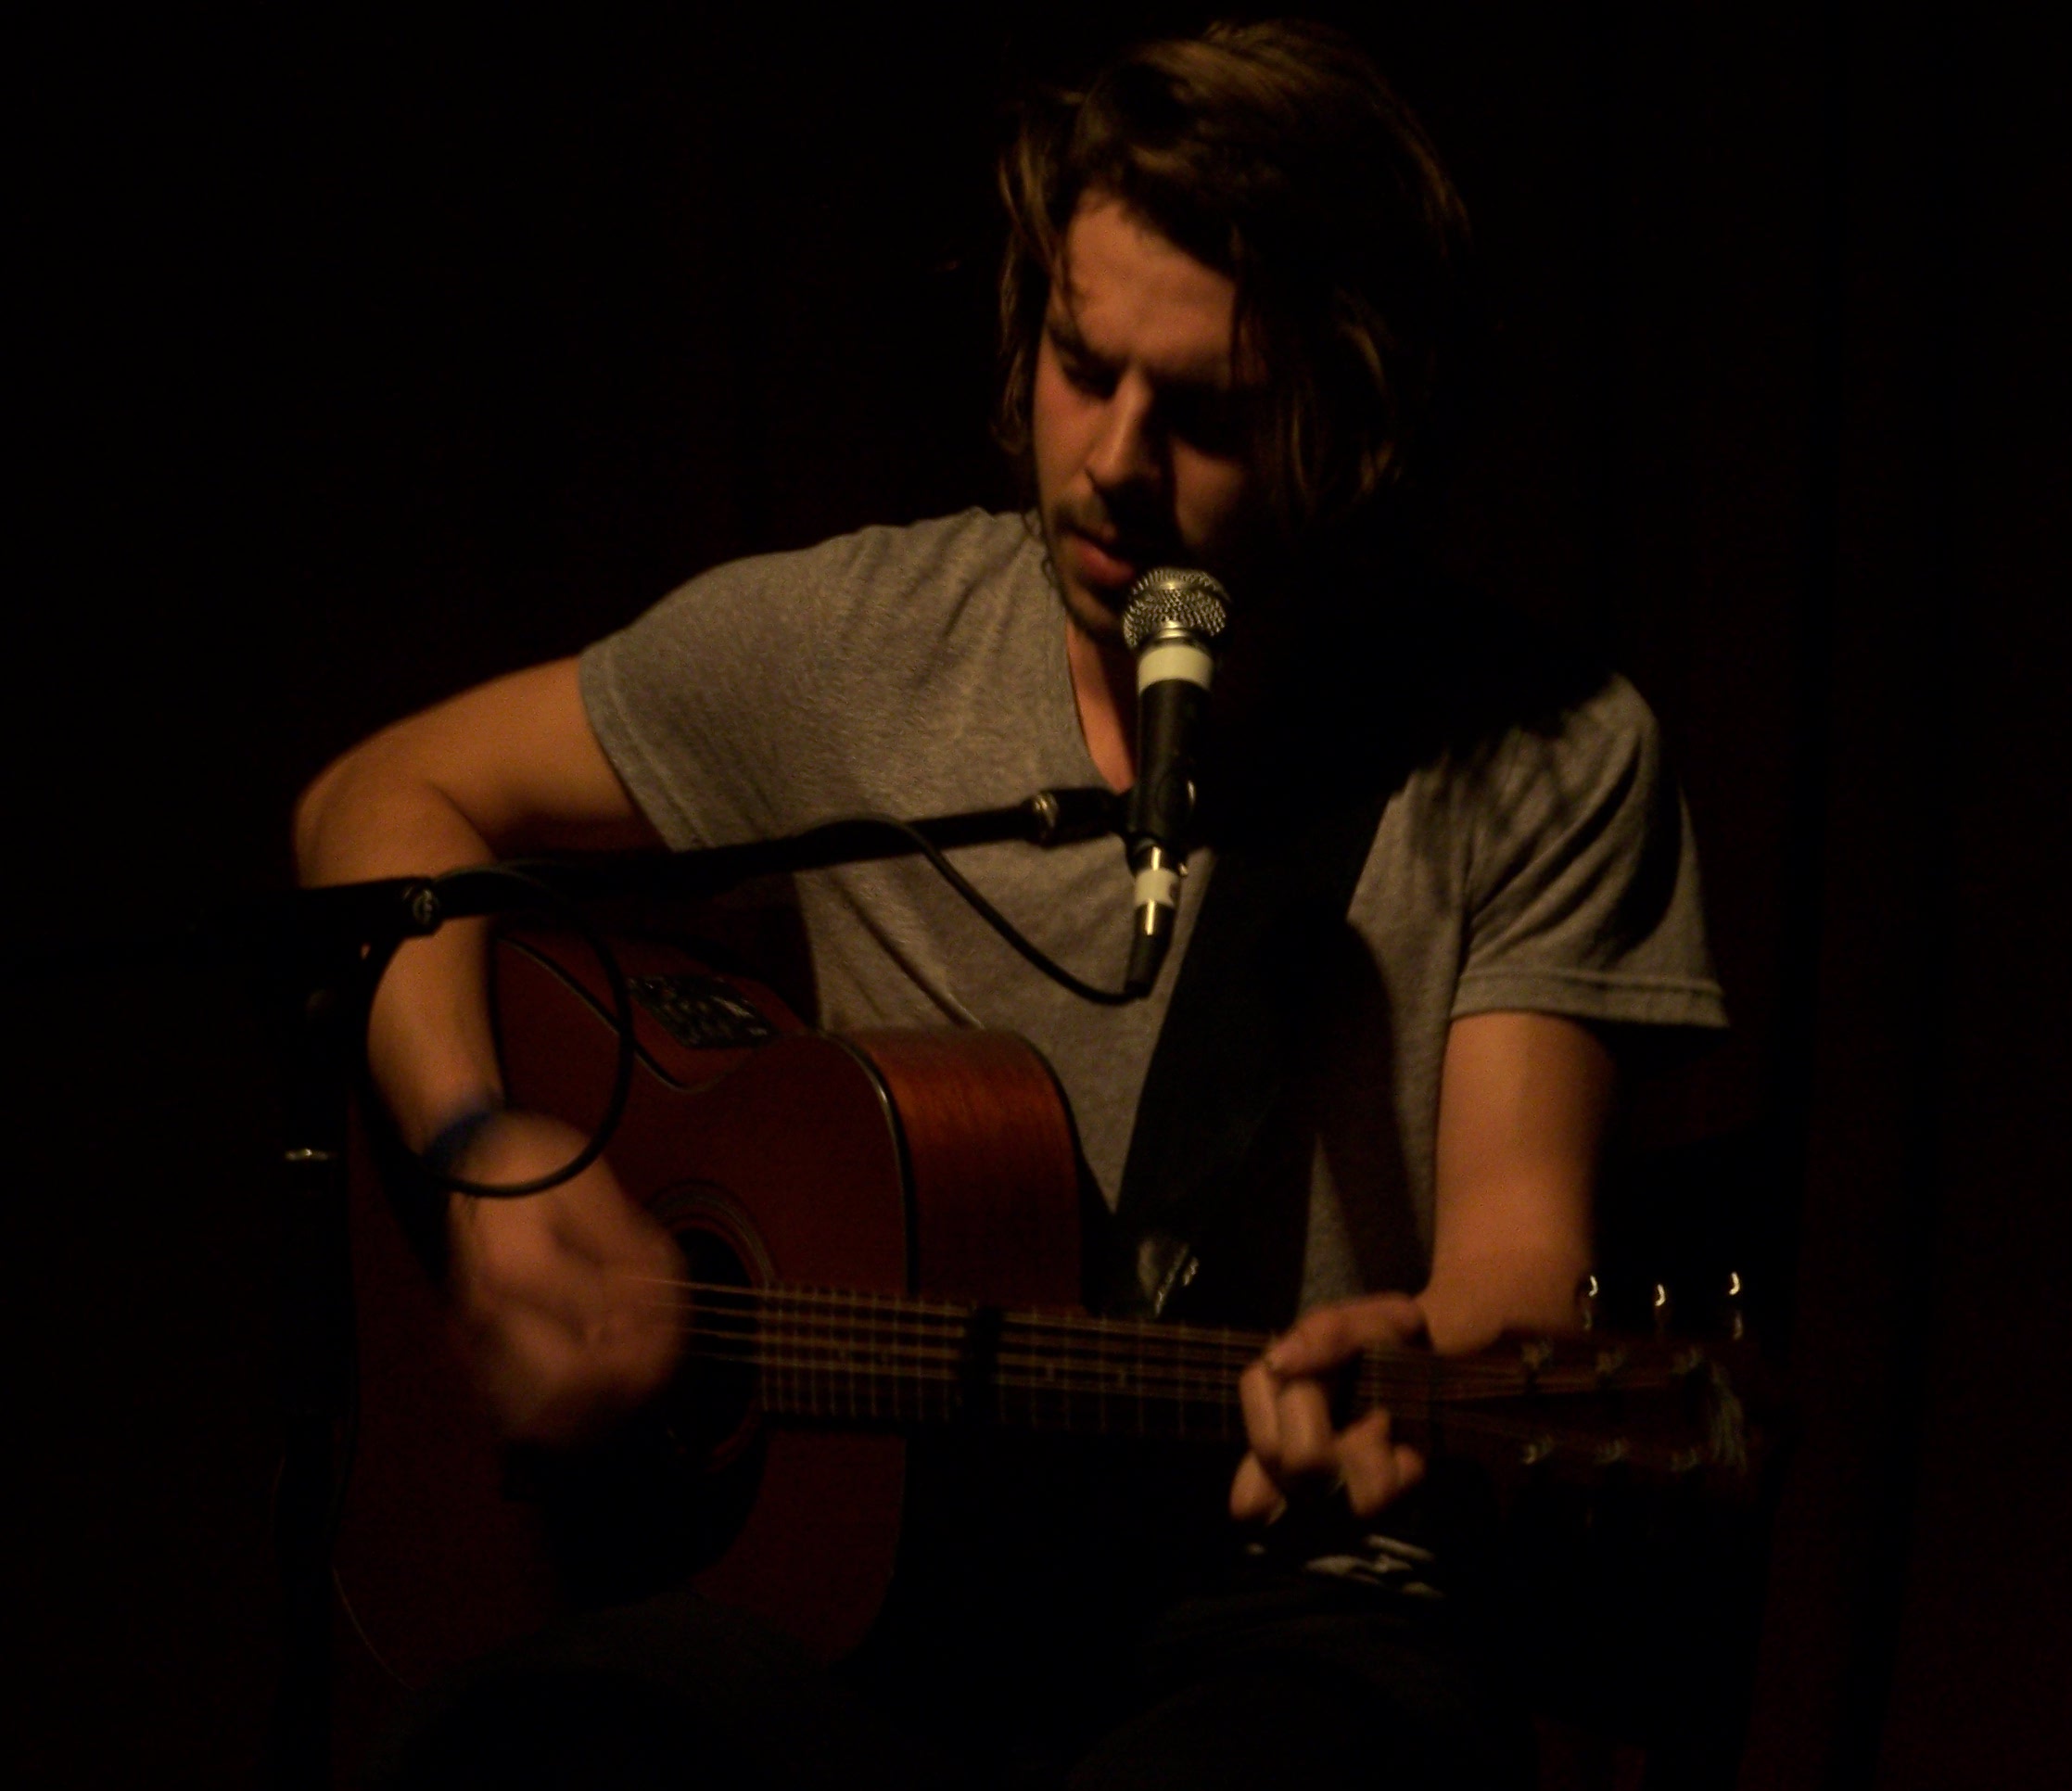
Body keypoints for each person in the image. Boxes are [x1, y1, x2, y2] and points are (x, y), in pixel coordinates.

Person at [297, 20, 1726, 1787]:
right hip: (884, 1615)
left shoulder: (1540, 753)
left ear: (1354, 419)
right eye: (1079, 364)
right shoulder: (857, 652)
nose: (1114, 459)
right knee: (519, 1750)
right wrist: (482, 1152)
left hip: (1297, 1614)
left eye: (1207, 411)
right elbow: (377, 803)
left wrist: (1418, 1370)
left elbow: (1517, 1262)